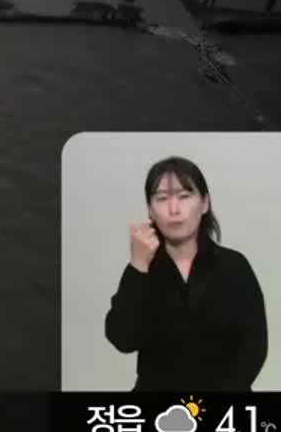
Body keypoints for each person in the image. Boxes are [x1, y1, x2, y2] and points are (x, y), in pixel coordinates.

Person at [104, 156, 268, 390]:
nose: (174, 209)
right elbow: (122, 338)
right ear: (150, 210)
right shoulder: (141, 271)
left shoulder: (234, 266)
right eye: (161, 199)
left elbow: (255, 345)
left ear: (204, 203)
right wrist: (137, 266)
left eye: (184, 196)